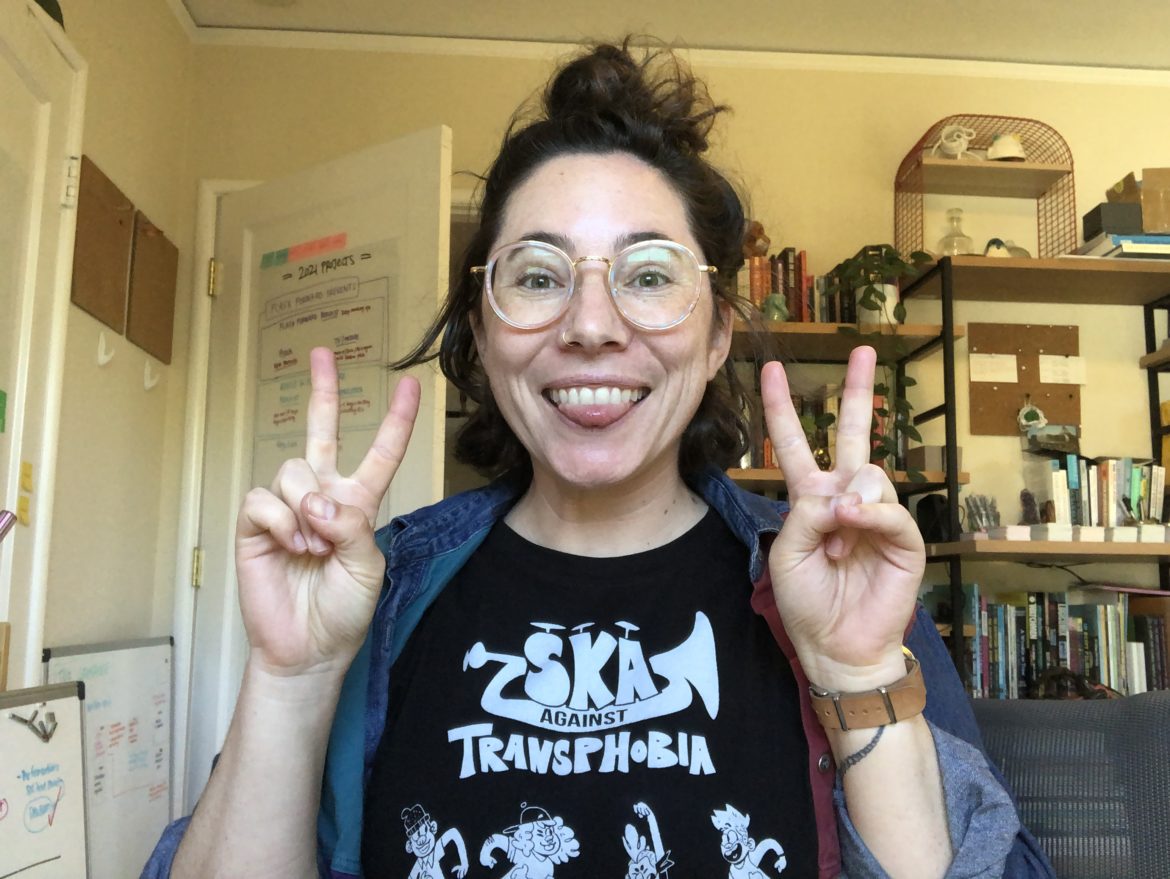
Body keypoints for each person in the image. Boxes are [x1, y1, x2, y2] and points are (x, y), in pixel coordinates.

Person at [144, 39, 1056, 878]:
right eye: (538, 275)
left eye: (650, 274)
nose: (589, 324)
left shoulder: (846, 592)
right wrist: (292, 678)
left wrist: (856, 678)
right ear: (481, 332)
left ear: (713, 339)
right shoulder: (383, 603)